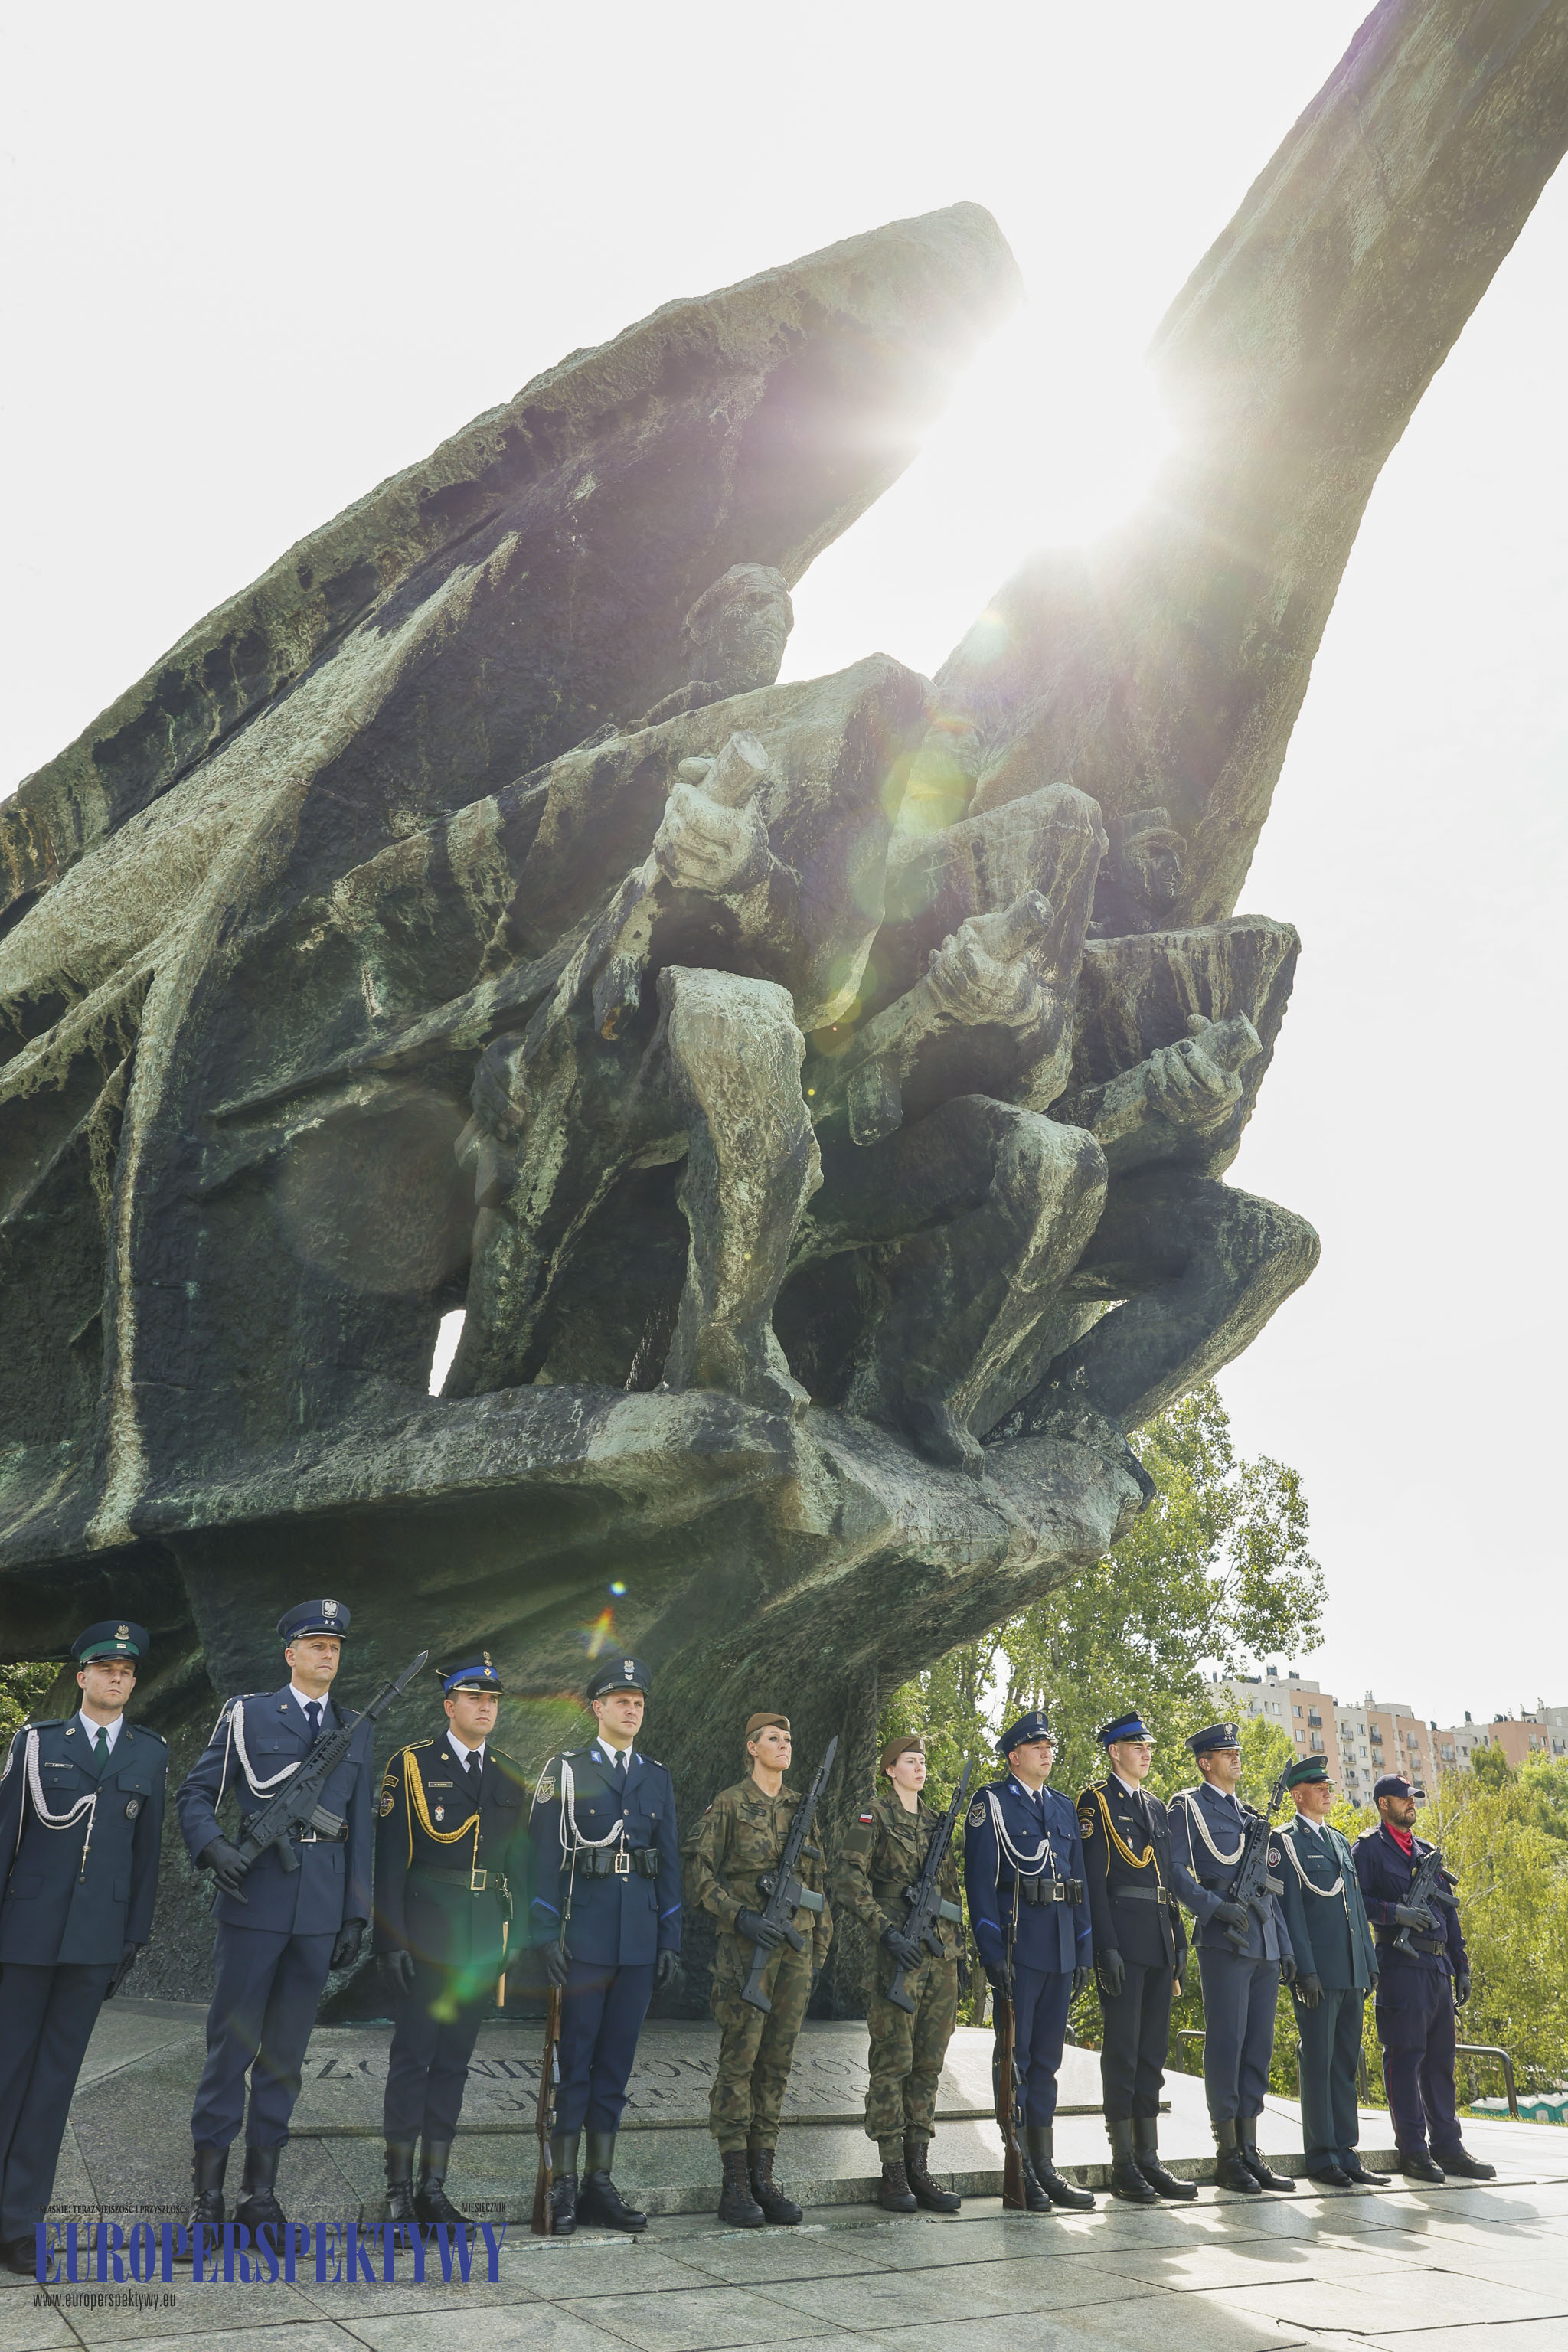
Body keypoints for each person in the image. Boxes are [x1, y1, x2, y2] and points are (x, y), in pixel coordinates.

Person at [175, 1599, 374, 2241]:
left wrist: (355, 1915)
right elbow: (196, 1794)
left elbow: (361, 1831)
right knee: (230, 2051)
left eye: (335, 1646)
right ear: (290, 1653)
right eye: (315, 1644)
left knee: (286, 2057)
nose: (327, 1654)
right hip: (254, 1900)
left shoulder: (356, 1728)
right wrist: (213, 1847)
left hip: (318, 1913)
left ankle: (260, 2197)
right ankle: (207, 2200)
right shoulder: (250, 1714)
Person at [0, 1621, 166, 2275]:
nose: (116, 1679)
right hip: (25, 1934)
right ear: (82, 1677)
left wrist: (133, 1936)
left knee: (52, 2086)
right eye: (106, 1669)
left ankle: (18, 2224)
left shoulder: (149, 1753)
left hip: (95, 1942)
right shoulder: (38, 1743)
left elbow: (147, 1855)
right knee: (6, 2071)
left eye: (126, 1672)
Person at [374, 1655, 531, 2230]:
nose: (486, 1707)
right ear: (449, 1705)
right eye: (474, 1698)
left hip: (483, 1939)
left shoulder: (511, 1774)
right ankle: (396, 2191)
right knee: (413, 2060)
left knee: (454, 2065)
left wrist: (517, 1939)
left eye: (493, 1700)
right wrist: (388, 1942)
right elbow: (389, 1864)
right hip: (425, 1938)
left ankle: (433, 2190)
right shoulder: (412, 1765)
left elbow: (520, 1866)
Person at [528, 1657, 681, 2233]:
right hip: (584, 1938)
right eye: (621, 1699)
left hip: (638, 1941)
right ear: (597, 1707)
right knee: (578, 2065)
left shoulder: (656, 1776)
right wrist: (544, 1933)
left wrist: (669, 1938)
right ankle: (563, 2186)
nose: (632, 1708)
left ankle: (600, 2183)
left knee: (615, 2068)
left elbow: (667, 1863)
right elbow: (542, 1859)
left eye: (639, 1700)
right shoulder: (566, 1770)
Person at [684, 1712, 833, 2226]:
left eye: (789, 1739)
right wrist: (740, 1916)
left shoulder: (802, 1807)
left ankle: (763, 2177)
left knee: (777, 2064)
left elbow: (818, 1883)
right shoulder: (729, 1803)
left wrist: (818, 1950)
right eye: (774, 1738)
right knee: (740, 2063)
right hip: (745, 1954)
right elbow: (699, 1875)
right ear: (752, 1747)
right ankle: (734, 2185)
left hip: (796, 1951)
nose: (784, 1745)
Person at [963, 1708, 1093, 2213]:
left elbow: (1077, 1884)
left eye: (1049, 1745)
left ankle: (1044, 2167)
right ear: (1015, 1755)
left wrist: (1083, 1948)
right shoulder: (991, 1804)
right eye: (1037, 1746)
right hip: (1020, 1951)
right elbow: (980, 1884)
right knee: (1015, 2063)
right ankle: (1018, 2167)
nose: (1047, 1751)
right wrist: (992, 1952)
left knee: (1048, 2063)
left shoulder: (1062, 1809)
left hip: (1060, 1949)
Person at [833, 1735, 965, 2213]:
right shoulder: (872, 1815)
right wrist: (886, 1933)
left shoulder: (936, 1822)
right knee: (893, 2061)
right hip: (898, 1953)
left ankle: (918, 2166)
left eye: (923, 1762)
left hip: (939, 1956)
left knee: (929, 2064)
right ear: (890, 1769)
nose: (919, 1768)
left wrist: (959, 1954)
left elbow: (950, 1893)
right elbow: (848, 1880)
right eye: (910, 1761)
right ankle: (892, 2170)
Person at [1168, 1723, 1297, 2194]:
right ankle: (1227, 2154)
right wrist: (1212, 1908)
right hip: (1224, 1936)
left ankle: (1250, 2149)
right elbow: (1177, 1872)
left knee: (1258, 2046)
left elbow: (1269, 1887)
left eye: (1237, 1751)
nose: (1236, 1758)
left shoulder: (1248, 1815)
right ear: (1206, 1762)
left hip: (1261, 1939)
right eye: (1226, 1752)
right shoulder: (1189, 1806)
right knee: (1228, 2043)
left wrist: (1283, 1946)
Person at [1353, 1774, 1495, 2184]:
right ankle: (1414, 2150)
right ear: (1384, 1804)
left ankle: (1448, 2147)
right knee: (1405, 2058)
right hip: (1400, 1964)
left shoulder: (1427, 1851)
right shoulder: (1369, 1850)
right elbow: (1354, 1900)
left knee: (1441, 2063)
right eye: (1404, 1799)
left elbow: (1449, 1913)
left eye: (1414, 1798)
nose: (1412, 1804)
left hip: (1437, 1968)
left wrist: (1461, 1965)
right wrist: (1394, 1913)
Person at [1077, 1711, 1192, 2205]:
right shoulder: (1096, 1803)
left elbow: (1164, 1880)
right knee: (1122, 2053)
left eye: (1148, 1746)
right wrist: (1105, 1947)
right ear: (1114, 1752)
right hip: (1123, 1940)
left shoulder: (1153, 1805)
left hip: (1158, 1942)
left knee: (1151, 2055)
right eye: (1136, 1746)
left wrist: (1179, 1942)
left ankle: (1149, 2158)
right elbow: (1096, 1884)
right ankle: (1123, 2164)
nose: (1146, 1753)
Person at [1274, 1756, 1383, 2187]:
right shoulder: (1286, 1843)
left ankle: (1346, 2150)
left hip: (1351, 1968)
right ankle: (1321, 2155)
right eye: (1319, 1786)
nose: (1328, 1792)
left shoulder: (1338, 1841)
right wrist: (1304, 1969)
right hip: (1318, 1972)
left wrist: (1369, 1963)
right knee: (1316, 2061)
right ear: (1298, 1794)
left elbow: (1354, 1907)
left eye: (1329, 1786)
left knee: (1344, 2062)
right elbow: (1291, 1911)